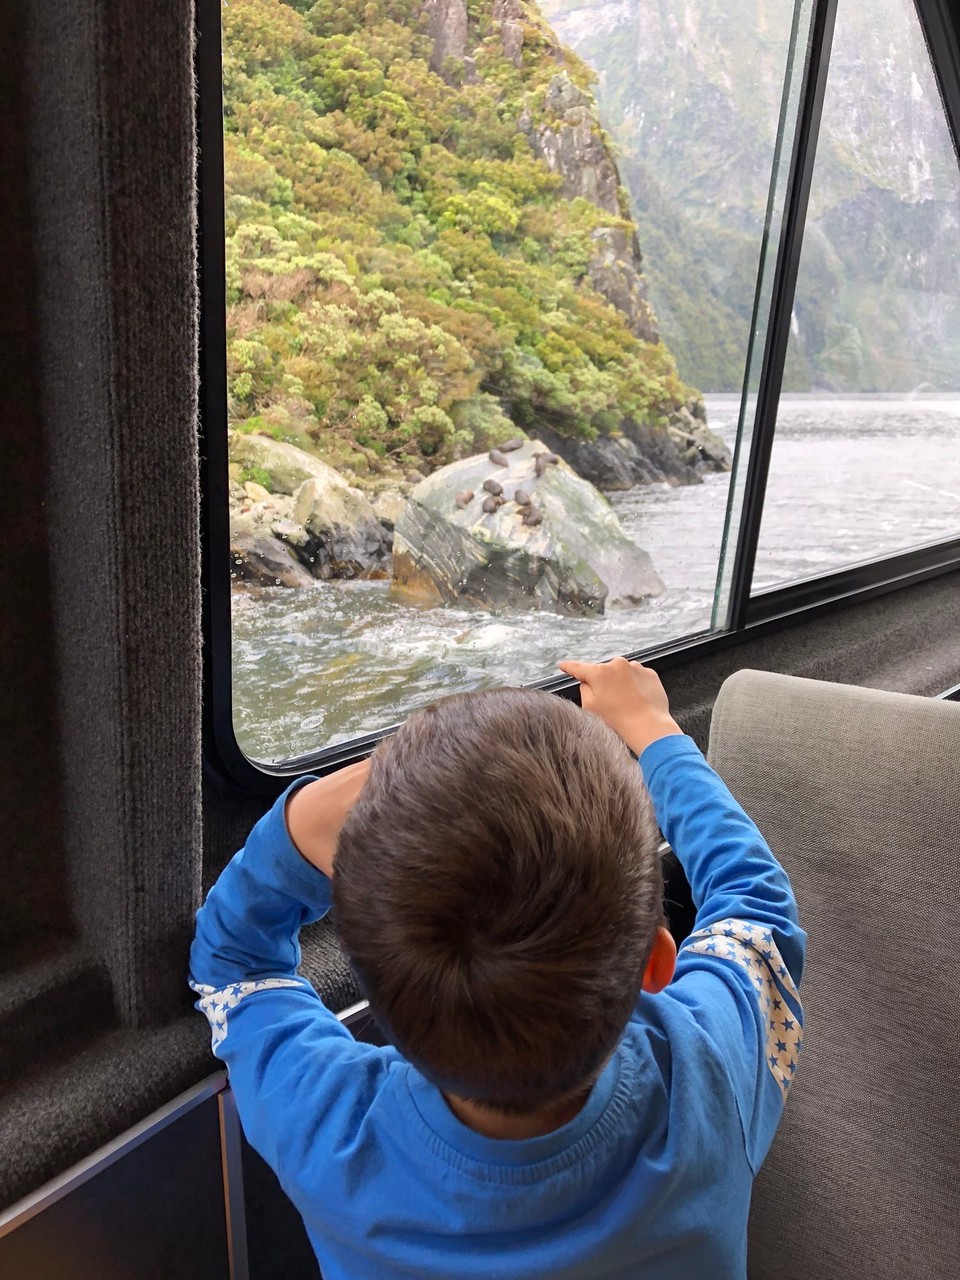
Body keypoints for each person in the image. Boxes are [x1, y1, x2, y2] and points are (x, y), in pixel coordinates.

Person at [190, 658, 805, 1279]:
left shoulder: (330, 1133)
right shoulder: (710, 1070)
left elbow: (234, 969)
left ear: (377, 1010)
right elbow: (758, 906)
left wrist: (296, 829)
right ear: (656, 963)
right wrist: (652, 729)